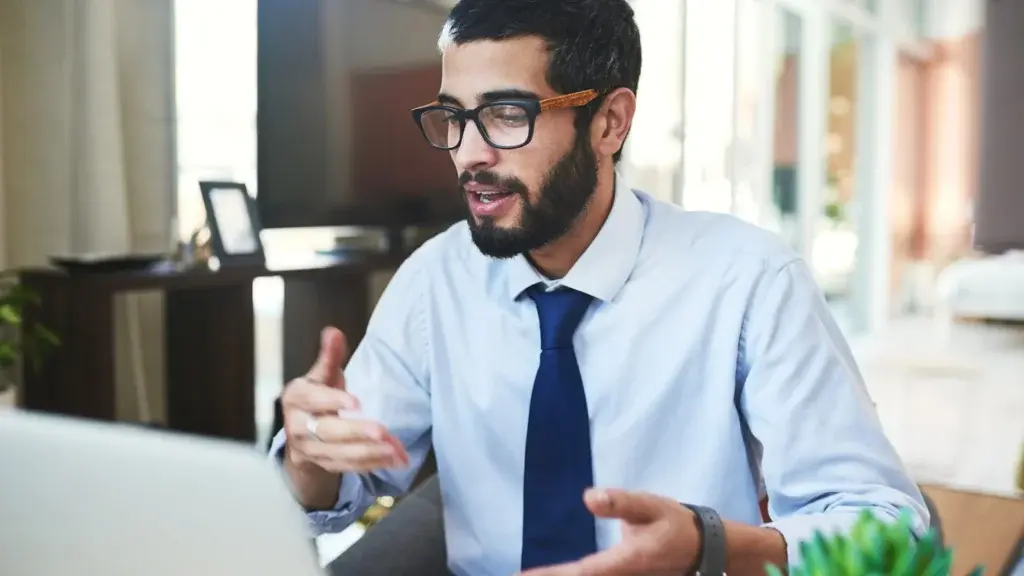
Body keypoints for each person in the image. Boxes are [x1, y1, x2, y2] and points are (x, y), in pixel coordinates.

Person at [269, 0, 928, 574]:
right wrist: (309, 456)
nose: (469, 153)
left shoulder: (748, 278)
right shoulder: (435, 281)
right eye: (452, 118)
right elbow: (336, 494)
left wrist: (712, 545)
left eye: (504, 114)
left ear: (610, 122)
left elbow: (887, 522)